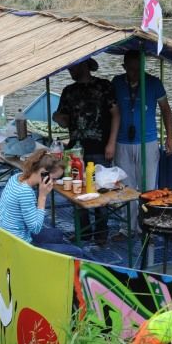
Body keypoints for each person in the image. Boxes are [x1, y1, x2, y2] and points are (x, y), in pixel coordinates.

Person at [52, 57, 119, 242]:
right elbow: (65, 122)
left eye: (72, 68)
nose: (70, 72)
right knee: (76, 190)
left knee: (100, 190)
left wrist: (111, 143)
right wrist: (57, 117)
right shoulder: (68, 91)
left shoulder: (104, 86)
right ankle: (84, 231)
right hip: (75, 149)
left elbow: (115, 114)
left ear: (83, 65)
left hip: (100, 147)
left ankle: (101, 232)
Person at [111, 49, 172, 232]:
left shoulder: (154, 83)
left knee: (148, 187)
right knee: (126, 187)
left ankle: (148, 224)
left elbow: (166, 110)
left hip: (148, 142)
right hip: (122, 142)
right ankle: (128, 229)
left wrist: (169, 137)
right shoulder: (116, 82)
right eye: (130, 69)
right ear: (124, 67)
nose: (134, 73)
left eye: (138, 69)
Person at [0, 148, 85, 258]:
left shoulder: (16, 177)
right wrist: (42, 197)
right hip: (20, 245)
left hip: (9, 236)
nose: (53, 183)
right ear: (43, 172)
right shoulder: (25, 192)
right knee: (77, 252)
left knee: (57, 234)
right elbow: (35, 228)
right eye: (54, 179)